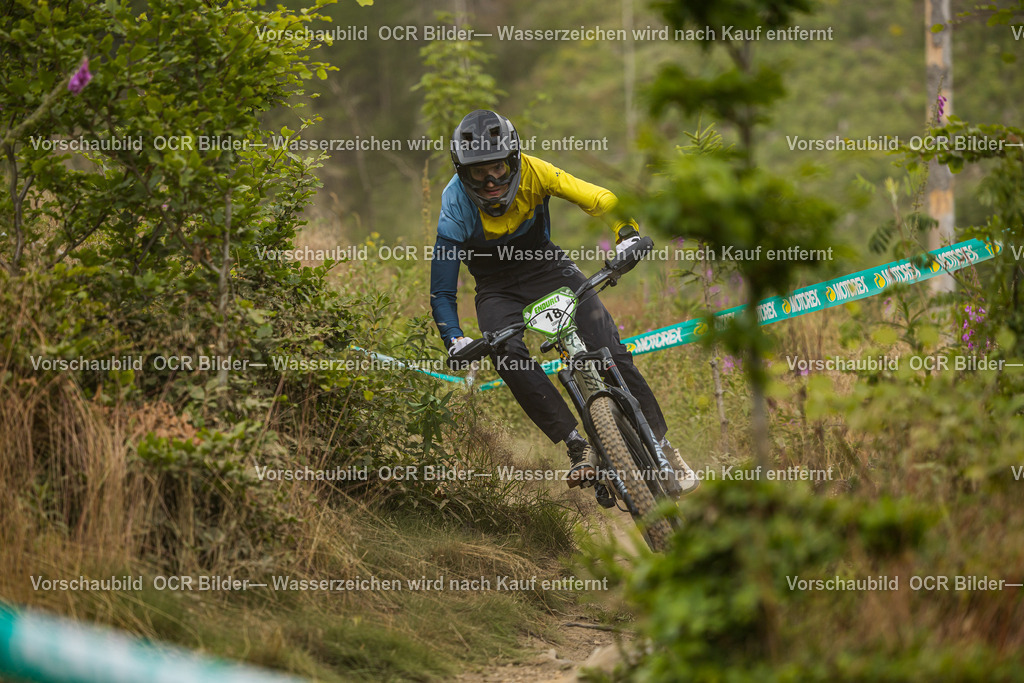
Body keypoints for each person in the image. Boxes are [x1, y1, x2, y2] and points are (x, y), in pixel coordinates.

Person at [430, 109, 697, 506]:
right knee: (507, 352)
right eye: (477, 174)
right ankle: (576, 445)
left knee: (610, 348)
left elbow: (598, 198)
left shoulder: (537, 173)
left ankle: (663, 448)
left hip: (547, 268)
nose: (490, 182)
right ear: (461, 173)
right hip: (495, 287)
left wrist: (626, 233)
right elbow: (442, 291)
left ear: (515, 161)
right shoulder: (454, 205)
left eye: (499, 169)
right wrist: (453, 339)